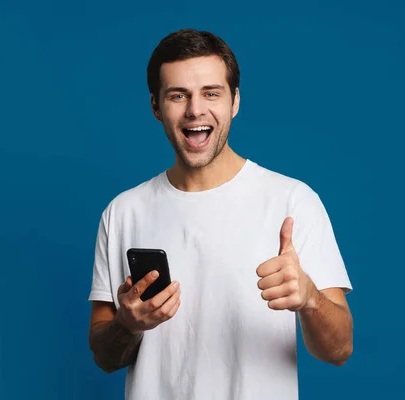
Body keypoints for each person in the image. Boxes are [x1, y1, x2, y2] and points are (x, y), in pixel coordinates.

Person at [87, 28, 354, 400]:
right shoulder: (122, 213)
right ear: (155, 107)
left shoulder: (293, 201)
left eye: (211, 93)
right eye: (178, 95)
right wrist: (127, 325)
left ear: (235, 101)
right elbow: (104, 356)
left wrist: (309, 298)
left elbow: (339, 350)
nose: (196, 109)